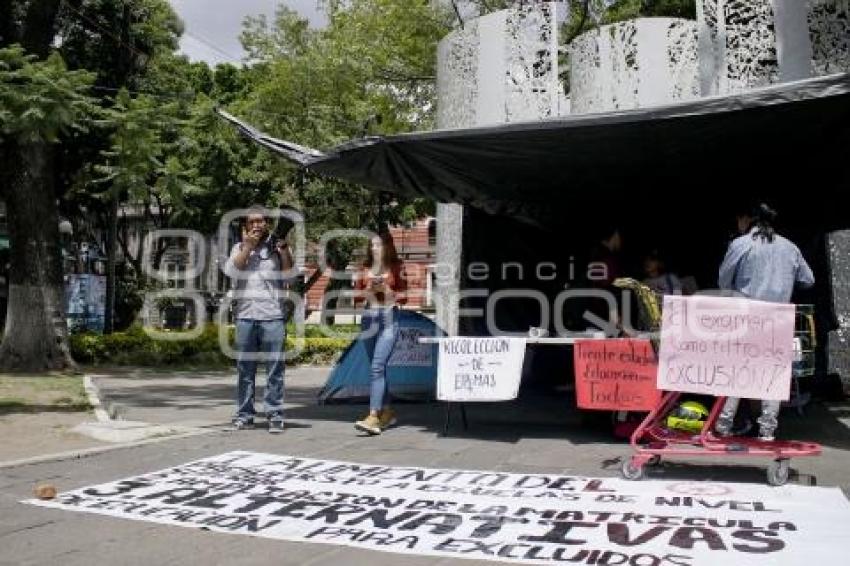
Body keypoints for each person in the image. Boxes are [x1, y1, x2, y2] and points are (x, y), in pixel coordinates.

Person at [714, 203, 815, 441]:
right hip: (778, 318)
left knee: (737, 369)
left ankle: (724, 425)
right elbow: (808, 279)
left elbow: (723, 280)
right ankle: (767, 430)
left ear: (745, 220)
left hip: (746, 315)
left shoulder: (741, 244)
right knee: (772, 373)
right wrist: (783, 283)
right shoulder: (790, 247)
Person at [224, 206, 294, 433]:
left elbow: (289, 275)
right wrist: (248, 248)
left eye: (261, 221)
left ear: (266, 224)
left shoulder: (276, 247)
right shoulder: (238, 248)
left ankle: (274, 414)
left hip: (272, 315)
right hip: (245, 315)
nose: (257, 225)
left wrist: (283, 251)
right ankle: (244, 415)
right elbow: (233, 272)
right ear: (246, 226)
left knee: (275, 369)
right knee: (245, 370)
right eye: (252, 222)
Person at [353, 231, 407, 435]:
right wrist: (367, 288)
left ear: (387, 248)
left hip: (389, 317)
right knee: (377, 369)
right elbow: (357, 298)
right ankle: (388, 412)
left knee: (377, 367)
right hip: (369, 317)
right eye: (372, 245)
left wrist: (386, 289)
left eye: (378, 245)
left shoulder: (397, 267)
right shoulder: (364, 269)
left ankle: (373, 415)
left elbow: (403, 297)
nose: (374, 249)